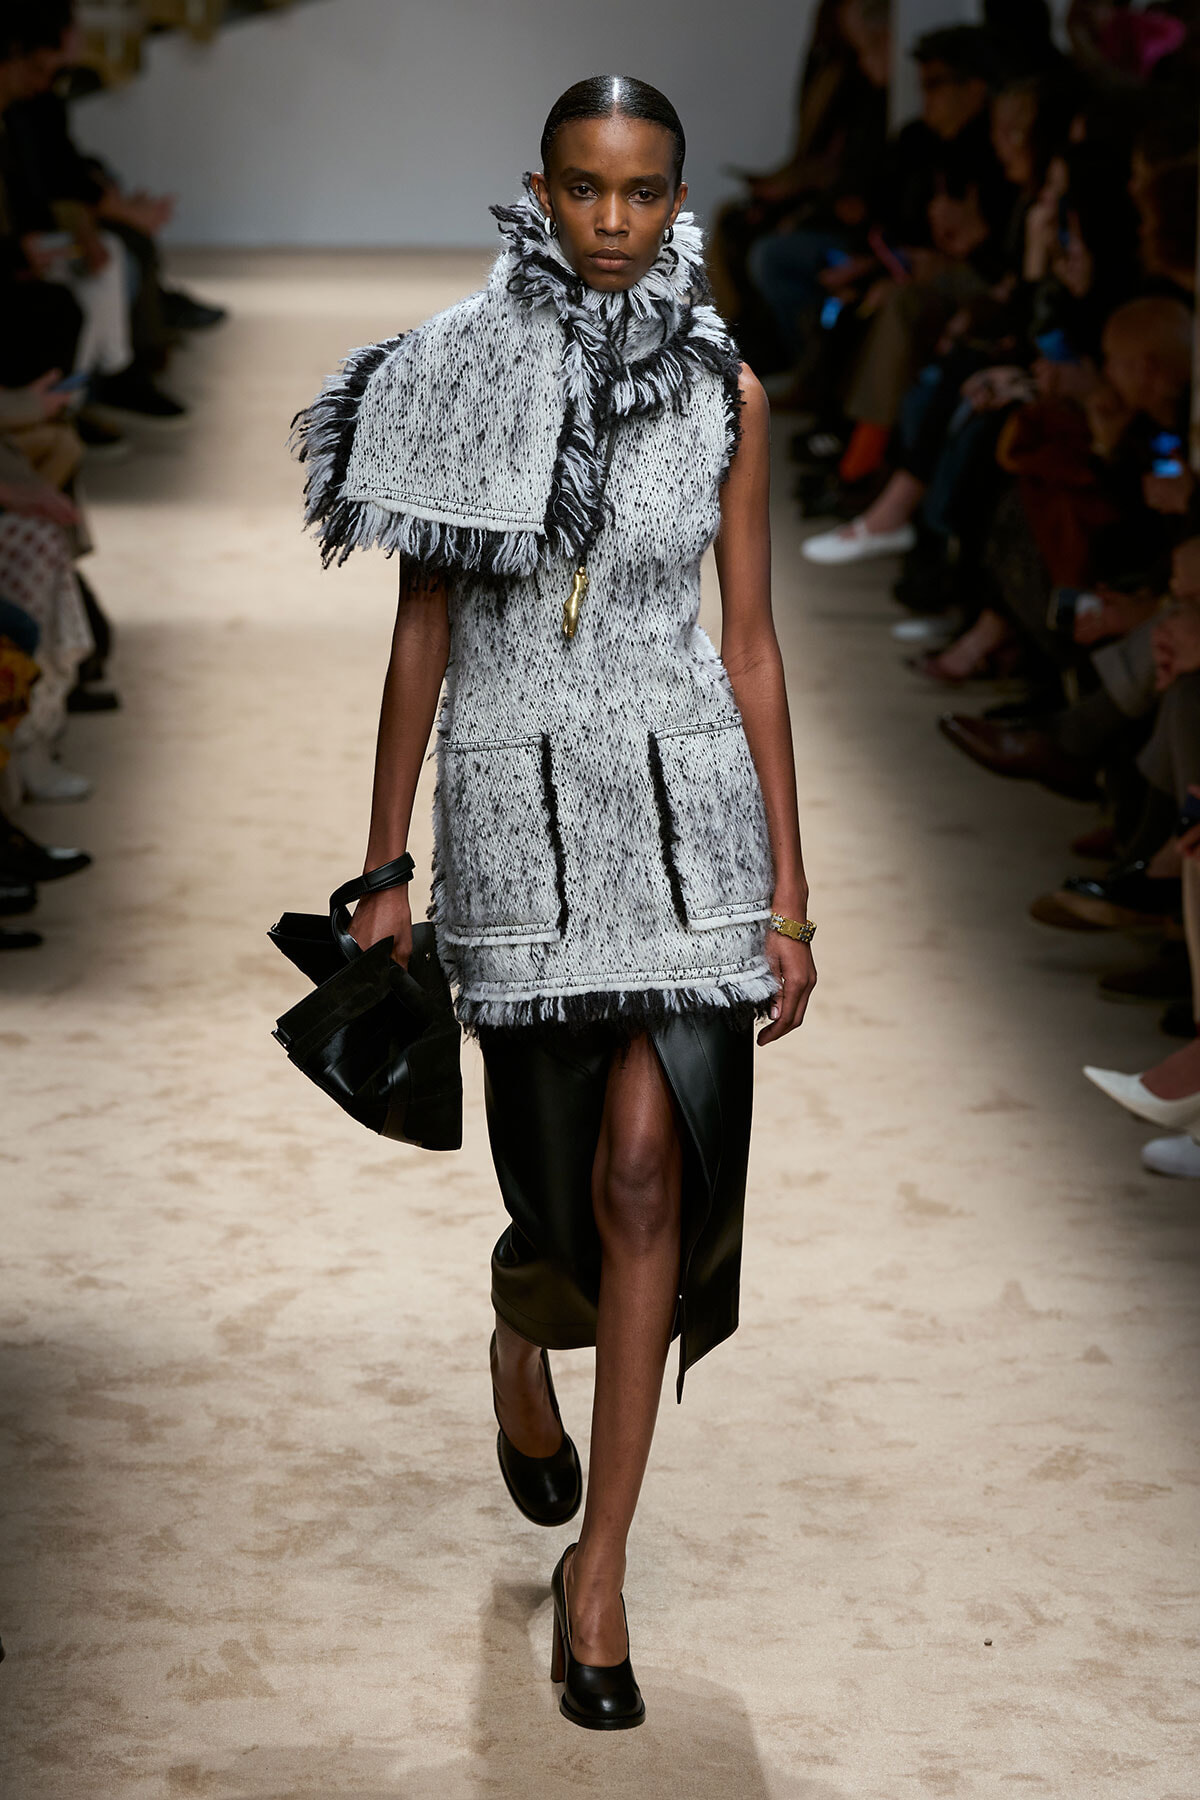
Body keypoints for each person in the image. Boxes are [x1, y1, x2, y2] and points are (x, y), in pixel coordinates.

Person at [293, 74, 817, 1730]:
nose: (612, 223)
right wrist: (385, 867)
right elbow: (423, 633)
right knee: (557, 1186)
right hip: (518, 822)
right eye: (586, 190)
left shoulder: (726, 387)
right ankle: (529, 1343)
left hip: (689, 831)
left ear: (679, 198)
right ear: (540, 186)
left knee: (654, 1172)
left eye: (643, 193)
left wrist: (790, 901)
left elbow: (750, 642)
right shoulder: (455, 372)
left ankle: (601, 1576)